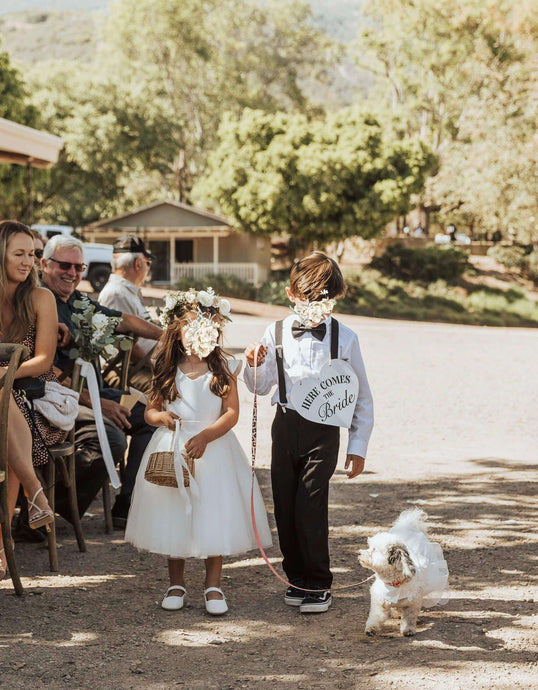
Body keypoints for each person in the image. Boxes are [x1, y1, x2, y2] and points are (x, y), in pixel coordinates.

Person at [125, 288, 272, 614]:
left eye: (202, 334)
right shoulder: (166, 369)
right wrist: (160, 417)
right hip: (174, 445)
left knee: (213, 513)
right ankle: (175, 583)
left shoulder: (222, 370)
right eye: (188, 334)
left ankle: (213, 585)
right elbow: (151, 411)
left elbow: (231, 412)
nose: (194, 341)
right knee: (172, 512)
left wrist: (207, 436)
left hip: (213, 448)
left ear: (213, 334)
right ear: (176, 334)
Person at [244, 251, 374, 614]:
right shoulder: (276, 331)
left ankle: (318, 581)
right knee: (285, 504)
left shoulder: (345, 338)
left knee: (311, 505)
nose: (316, 306)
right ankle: (295, 577)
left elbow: (361, 395)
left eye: (324, 299)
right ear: (291, 294)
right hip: (285, 426)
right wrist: (254, 363)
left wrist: (358, 445)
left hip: (324, 430)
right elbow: (261, 386)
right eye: (309, 298)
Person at [40, 234, 163, 528]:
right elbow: (49, 373)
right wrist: (98, 404)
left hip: (96, 390)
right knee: (113, 439)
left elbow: (123, 320)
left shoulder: (79, 300)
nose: (72, 273)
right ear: (44, 264)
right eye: (64, 266)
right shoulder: (40, 302)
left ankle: (126, 506)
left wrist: (168, 334)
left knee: (152, 416)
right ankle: (47, 507)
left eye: (78, 268)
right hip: (61, 396)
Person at [0, 220, 60, 577]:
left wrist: (4, 375)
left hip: (31, 396)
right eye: (18, 253)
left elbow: (44, 360)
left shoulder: (41, 297)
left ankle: (0, 547)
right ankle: (35, 490)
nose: (28, 261)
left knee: (3, 410)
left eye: (33, 254)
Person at [98, 234, 157, 392]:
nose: (147, 269)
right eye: (148, 263)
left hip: (138, 367)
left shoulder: (126, 291)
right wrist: (159, 367)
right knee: (176, 389)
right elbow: (129, 347)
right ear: (138, 264)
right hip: (125, 372)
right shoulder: (117, 293)